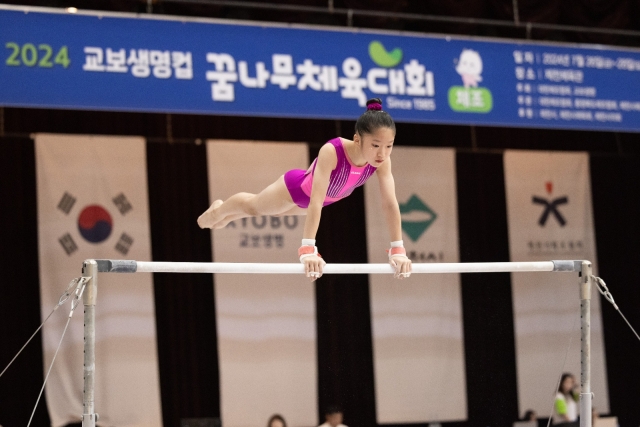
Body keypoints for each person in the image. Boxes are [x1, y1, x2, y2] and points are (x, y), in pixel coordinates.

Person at [198, 98, 412, 281]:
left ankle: (227, 216)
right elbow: (316, 201)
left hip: (323, 201)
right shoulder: (333, 150)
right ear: (357, 139)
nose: (382, 153)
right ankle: (219, 211)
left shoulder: (383, 162)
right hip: (296, 190)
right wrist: (308, 249)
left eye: (389, 146)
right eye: (375, 145)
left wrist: (398, 249)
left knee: (275, 212)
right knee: (255, 207)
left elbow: (390, 203)